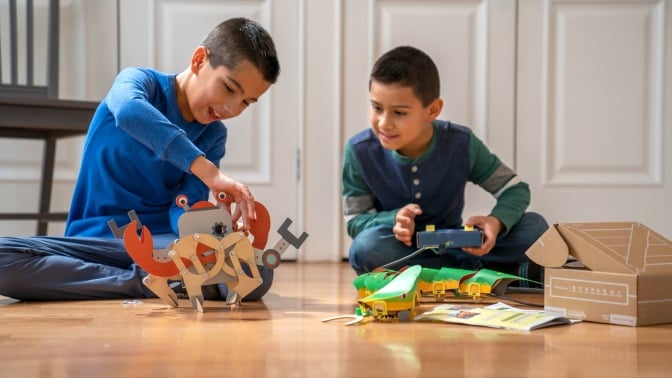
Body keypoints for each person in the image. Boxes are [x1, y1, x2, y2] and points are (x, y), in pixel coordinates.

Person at [0, 17, 280, 301]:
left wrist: (208, 231)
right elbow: (130, 112)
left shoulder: (214, 135)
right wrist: (206, 170)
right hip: (99, 240)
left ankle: (156, 279)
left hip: (163, 244)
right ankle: (155, 282)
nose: (232, 108)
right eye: (229, 88)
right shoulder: (138, 83)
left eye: (246, 102)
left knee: (257, 270)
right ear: (199, 60)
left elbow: (184, 203)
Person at [342, 46, 548, 286]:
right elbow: (356, 221)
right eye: (377, 108)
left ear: (432, 110)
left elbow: (515, 189)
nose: (384, 123)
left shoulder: (461, 143)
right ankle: (486, 274)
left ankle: (438, 276)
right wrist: (393, 219)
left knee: (535, 227)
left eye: (399, 112)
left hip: (458, 247)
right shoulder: (359, 151)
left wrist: (495, 222)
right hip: (404, 251)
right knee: (365, 247)